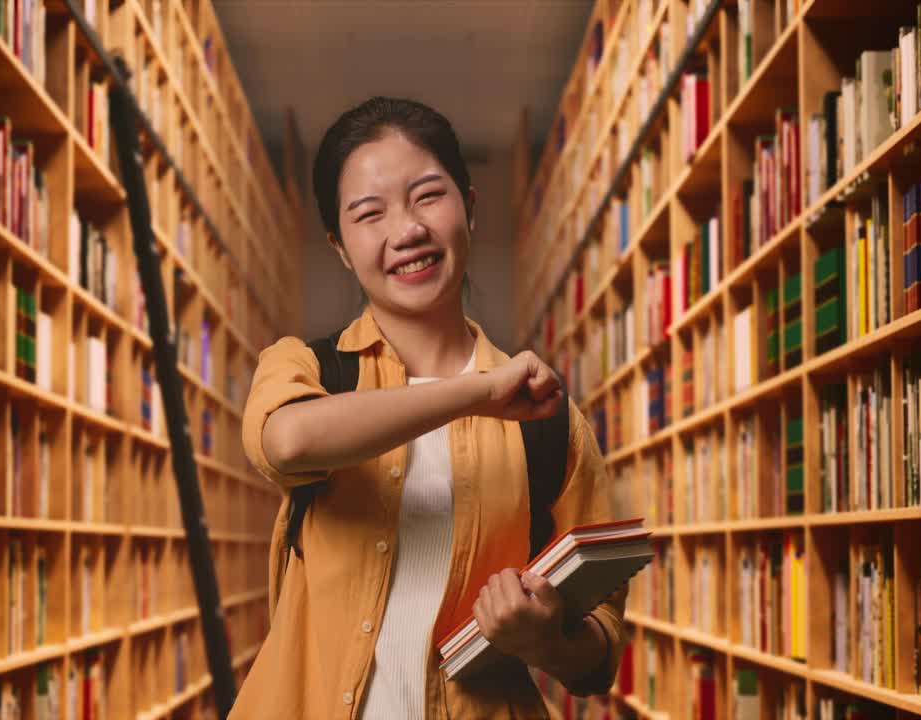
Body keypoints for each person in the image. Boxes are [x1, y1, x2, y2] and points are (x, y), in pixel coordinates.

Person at [230, 96, 628, 719]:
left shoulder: (550, 425)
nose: (406, 231)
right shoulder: (304, 368)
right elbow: (288, 443)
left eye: (427, 196)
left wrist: (546, 638)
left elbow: (600, 655)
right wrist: (477, 391)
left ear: (468, 205)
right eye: (369, 214)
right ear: (339, 247)